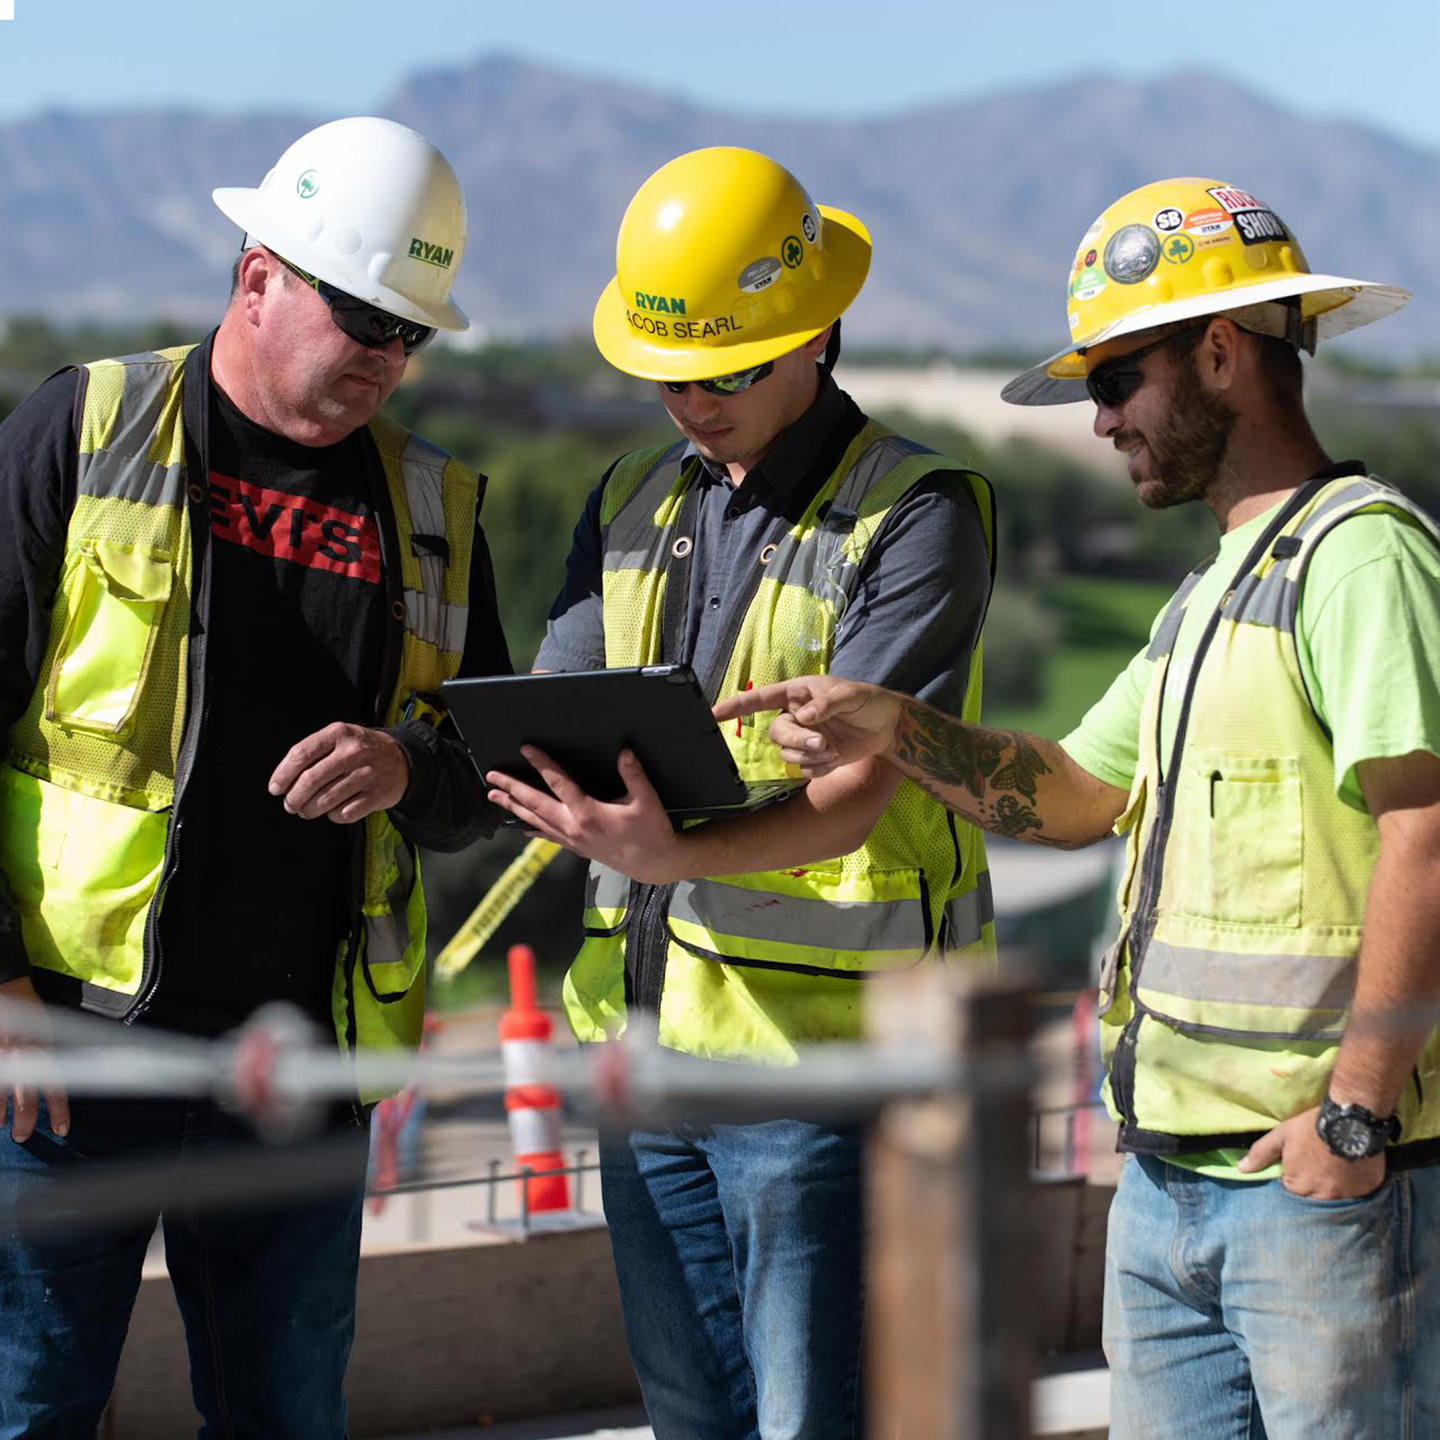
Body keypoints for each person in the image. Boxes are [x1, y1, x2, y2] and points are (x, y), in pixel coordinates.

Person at [716, 176, 1440, 1439]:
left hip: (1314, 1189)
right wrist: (893, 724)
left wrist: (1355, 1116)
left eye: (1113, 381)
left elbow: (1428, 839)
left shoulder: (1362, 559)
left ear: (1220, 354)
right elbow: (1071, 796)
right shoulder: (1212, 592)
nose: (1100, 422)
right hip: (1173, 1186)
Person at [0, 117, 509, 1438]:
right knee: (28, 1406)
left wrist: (411, 763)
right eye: (362, 314)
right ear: (258, 273)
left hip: (297, 1069)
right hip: (66, 1055)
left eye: (411, 333)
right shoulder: (88, 427)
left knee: (285, 1417)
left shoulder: (438, 512)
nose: (384, 358)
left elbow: (486, 773)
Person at [484, 147, 996, 1440]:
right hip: (644, 1056)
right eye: (667, 375)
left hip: (815, 1078)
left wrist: (666, 857)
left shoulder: (919, 515)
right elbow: (560, 698)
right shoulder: (628, 499)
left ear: (817, 334)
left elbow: (860, 796)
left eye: (728, 370)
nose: (690, 403)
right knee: (690, 1422)